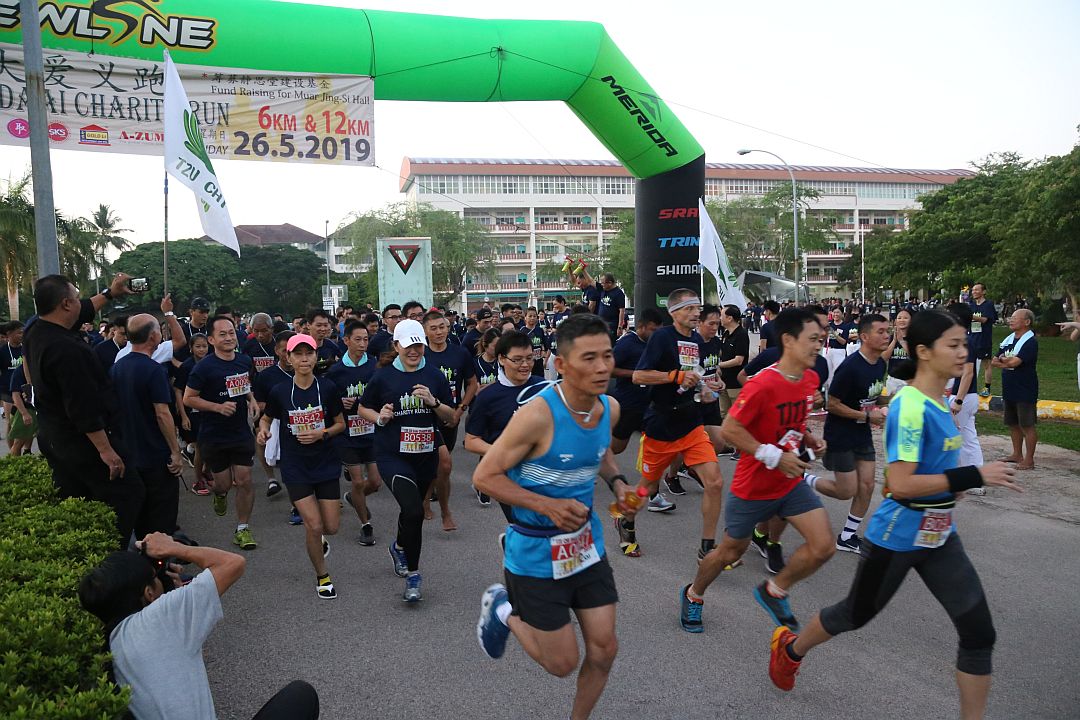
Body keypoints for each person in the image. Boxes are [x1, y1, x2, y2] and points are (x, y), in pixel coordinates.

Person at [766, 311, 1021, 720]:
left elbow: (933, 473)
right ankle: (791, 649)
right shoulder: (911, 406)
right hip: (898, 535)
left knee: (978, 633)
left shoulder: (939, 403)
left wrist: (953, 486)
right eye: (952, 345)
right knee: (854, 614)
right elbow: (900, 483)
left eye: (963, 344)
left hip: (939, 537)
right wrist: (974, 474)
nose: (964, 352)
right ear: (923, 351)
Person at [474, 313, 633, 720]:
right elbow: (485, 476)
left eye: (607, 356)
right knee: (561, 663)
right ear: (560, 365)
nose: (601, 368)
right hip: (534, 552)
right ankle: (503, 610)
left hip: (585, 546)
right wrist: (547, 506)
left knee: (605, 649)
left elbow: (602, 454)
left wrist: (618, 485)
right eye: (589, 358)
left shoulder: (608, 409)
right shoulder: (537, 416)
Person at [679, 309, 831, 634]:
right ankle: (694, 595)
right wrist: (773, 456)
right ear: (788, 340)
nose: (819, 345)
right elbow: (730, 430)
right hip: (753, 487)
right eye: (813, 339)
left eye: (822, 339)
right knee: (729, 552)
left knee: (823, 546)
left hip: (789, 482)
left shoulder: (810, 378)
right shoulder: (762, 384)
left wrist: (809, 439)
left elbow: (792, 422)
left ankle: (774, 590)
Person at [78, 532, 320, 719]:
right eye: (155, 576)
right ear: (149, 593)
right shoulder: (162, 616)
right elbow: (233, 563)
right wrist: (174, 547)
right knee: (301, 696)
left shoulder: (112, 641)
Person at [25, 274, 144, 548]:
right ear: (66, 304)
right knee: (127, 494)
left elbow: (87, 308)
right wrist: (107, 451)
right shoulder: (66, 350)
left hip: (56, 437)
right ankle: (112, 561)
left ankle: (88, 556)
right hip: (82, 443)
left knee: (80, 498)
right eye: (76, 297)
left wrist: (111, 293)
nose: (82, 302)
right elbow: (83, 408)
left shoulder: (37, 329)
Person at [356, 318, 455, 601]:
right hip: (392, 455)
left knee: (411, 514)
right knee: (413, 511)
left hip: (425, 455)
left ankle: (400, 546)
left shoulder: (435, 375)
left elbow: (450, 418)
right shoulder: (384, 377)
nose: (414, 351)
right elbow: (364, 408)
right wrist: (380, 417)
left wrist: (434, 403)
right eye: (409, 345)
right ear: (397, 345)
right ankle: (413, 576)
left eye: (419, 345)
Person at [631, 289, 725, 560]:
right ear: (674, 313)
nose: (696, 313)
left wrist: (708, 388)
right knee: (646, 488)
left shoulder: (697, 340)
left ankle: (707, 546)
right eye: (689, 309)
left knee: (715, 482)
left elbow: (693, 378)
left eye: (697, 308)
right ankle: (624, 519)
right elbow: (639, 376)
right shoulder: (661, 337)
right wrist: (674, 376)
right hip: (661, 424)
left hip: (691, 423)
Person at [258, 334, 346, 599]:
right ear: (289, 358)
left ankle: (318, 540)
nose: (304, 358)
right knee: (313, 525)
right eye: (298, 354)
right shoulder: (280, 391)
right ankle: (323, 576)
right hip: (296, 466)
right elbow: (266, 418)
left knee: (331, 527)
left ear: (315, 357)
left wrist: (322, 434)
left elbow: (341, 423)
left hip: (326, 463)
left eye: (309, 353)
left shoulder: (327, 388)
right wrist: (263, 432)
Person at [183, 316, 260, 550]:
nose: (229, 337)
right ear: (211, 339)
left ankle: (243, 529)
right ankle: (219, 493)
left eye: (231, 333)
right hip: (213, 436)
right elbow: (189, 398)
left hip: (240, 432)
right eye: (223, 334)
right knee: (223, 484)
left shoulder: (244, 361)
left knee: (245, 480)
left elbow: (244, 384)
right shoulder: (203, 367)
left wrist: (252, 399)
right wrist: (218, 407)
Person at [819, 314, 890, 554]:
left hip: (862, 433)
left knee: (868, 485)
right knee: (845, 490)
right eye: (880, 331)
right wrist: (868, 417)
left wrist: (885, 407)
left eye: (887, 331)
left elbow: (878, 395)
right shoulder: (850, 367)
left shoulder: (880, 364)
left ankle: (847, 536)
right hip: (840, 433)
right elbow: (832, 404)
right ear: (864, 336)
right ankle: (803, 481)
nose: (886, 335)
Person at [111, 314, 185, 539]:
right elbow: (162, 414)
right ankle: (161, 569)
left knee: (140, 516)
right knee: (161, 519)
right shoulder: (154, 370)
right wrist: (175, 451)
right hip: (155, 456)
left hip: (129, 454)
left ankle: (147, 564)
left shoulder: (117, 367)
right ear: (154, 336)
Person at [464, 330, 547, 510]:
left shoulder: (544, 388)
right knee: (524, 525)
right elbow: (471, 441)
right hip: (508, 477)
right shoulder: (488, 397)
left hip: (545, 473)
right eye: (517, 360)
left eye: (529, 358)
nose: (525, 365)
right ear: (501, 359)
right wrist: (504, 453)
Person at [325, 320, 381, 545]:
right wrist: (339, 402)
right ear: (346, 340)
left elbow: (383, 395)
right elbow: (327, 401)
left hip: (371, 432)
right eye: (357, 339)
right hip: (347, 434)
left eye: (366, 339)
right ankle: (365, 525)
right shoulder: (336, 372)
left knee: (375, 483)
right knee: (357, 482)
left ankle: (353, 498)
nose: (362, 344)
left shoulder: (375, 366)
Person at [421, 310, 477, 530]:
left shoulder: (460, 353)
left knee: (440, 467)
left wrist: (461, 409)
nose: (439, 332)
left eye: (442, 327)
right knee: (442, 464)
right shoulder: (421, 355)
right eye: (433, 328)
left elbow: (472, 383)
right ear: (425, 331)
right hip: (425, 417)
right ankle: (442, 510)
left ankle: (430, 500)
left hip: (450, 418)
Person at [992, 308, 1038, 470]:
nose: (1010, 320)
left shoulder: (1030, 342)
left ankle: (1029, 460)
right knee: (1013, 423)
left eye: (1015, 318)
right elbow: (994, 360)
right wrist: (1006, 360)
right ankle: (1017, 454)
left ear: (1027, 322)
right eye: (1010, 318)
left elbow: (1014, 363)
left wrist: (1005, 360)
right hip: (1009, 386)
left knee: (1027, 424)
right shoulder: (1008, 339)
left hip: (1025, 388)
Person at [946, 303, 985, 481]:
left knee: (956, 437)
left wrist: (958, 400)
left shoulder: (965, 342)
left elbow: (968, 373)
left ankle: (963, 477)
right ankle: (974, 477)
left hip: (963, 396)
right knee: (969, 437)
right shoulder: (965, 340)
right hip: (966, 395)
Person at [174, 333, 212, 495]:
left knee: (211, 445)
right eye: (198, 346)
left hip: (210, 409)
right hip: (192, 412)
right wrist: (183, 415)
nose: (202, 349)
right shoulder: (187, 366)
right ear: (191, 348)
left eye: (204, 346)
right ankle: (198, 481)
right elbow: (178, 390)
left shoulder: (212, 362)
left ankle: (206, 470)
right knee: (200, 447)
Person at [968, 283, 999, 397]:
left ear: (983, 292)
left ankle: (987, 388)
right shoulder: (971, 305)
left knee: (986, 364)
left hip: (983, 339)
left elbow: (985, 319)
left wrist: (969, 316)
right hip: (971, 338)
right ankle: (970, 387)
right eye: (973, 290)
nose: (974, 292)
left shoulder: (988, 305)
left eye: (976, 290)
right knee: (969, 364)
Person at [0, 319, 24, 444]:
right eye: (19, 333)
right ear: (9, 334)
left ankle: (26, 449)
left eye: (22, 333)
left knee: (26, 421)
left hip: (24, 389)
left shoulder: (25, 348)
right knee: (11, 422)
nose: (22, 335)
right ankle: (13, 455)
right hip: (7, 390)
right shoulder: (3, 351)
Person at [883, 307, 914, 396]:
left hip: (909, 380)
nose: (902, 320)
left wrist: (902, 342)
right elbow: (884, 357)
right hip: (893, 379)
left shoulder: (914, 337)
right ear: (895, 321)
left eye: (905, 318)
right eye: (899, 318)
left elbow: (915, 357)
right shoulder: (890, 337)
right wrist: (894, 341)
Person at [824, 307, 856, 384]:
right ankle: (826, 390)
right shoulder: (828, 324)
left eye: (837, 312)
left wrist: (834, 333)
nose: (835, 314)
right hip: (827, 350)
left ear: (842, 314)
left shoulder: (845, 326)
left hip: (839, 351)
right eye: (834, 312)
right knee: (827, 372)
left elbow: (844, 342)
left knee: (838, 372)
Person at [176, 297, 211, 362]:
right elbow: (171, 351)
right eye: (201, 312)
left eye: (207, 312)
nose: (205, 316)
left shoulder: (211, 330)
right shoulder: (182, 331)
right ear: (191, 312)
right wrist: (179, 364)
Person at [305, 309, 340, 374]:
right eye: (319, 325)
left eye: (325, 325)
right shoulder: (302, 346)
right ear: (308, 325)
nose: (323, 329)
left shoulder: (332, 345)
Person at [521, 307, 550, 377]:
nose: (532, 318)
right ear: (525, 317)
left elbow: (545, 343)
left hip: (538, 363)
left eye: (534, 316)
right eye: (530, 316)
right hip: (527, 363)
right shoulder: (522, 331)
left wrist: (543, 351)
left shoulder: (539, 330)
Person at [596, 273, 626, 337]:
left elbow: (622, 310)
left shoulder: (618, 293)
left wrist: (620, 327)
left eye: (603, 283)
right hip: (602, 324)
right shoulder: (603, 289)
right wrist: (583, 269)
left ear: (609, 283)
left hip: (612, 325)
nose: (601, 285)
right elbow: (590, 281)